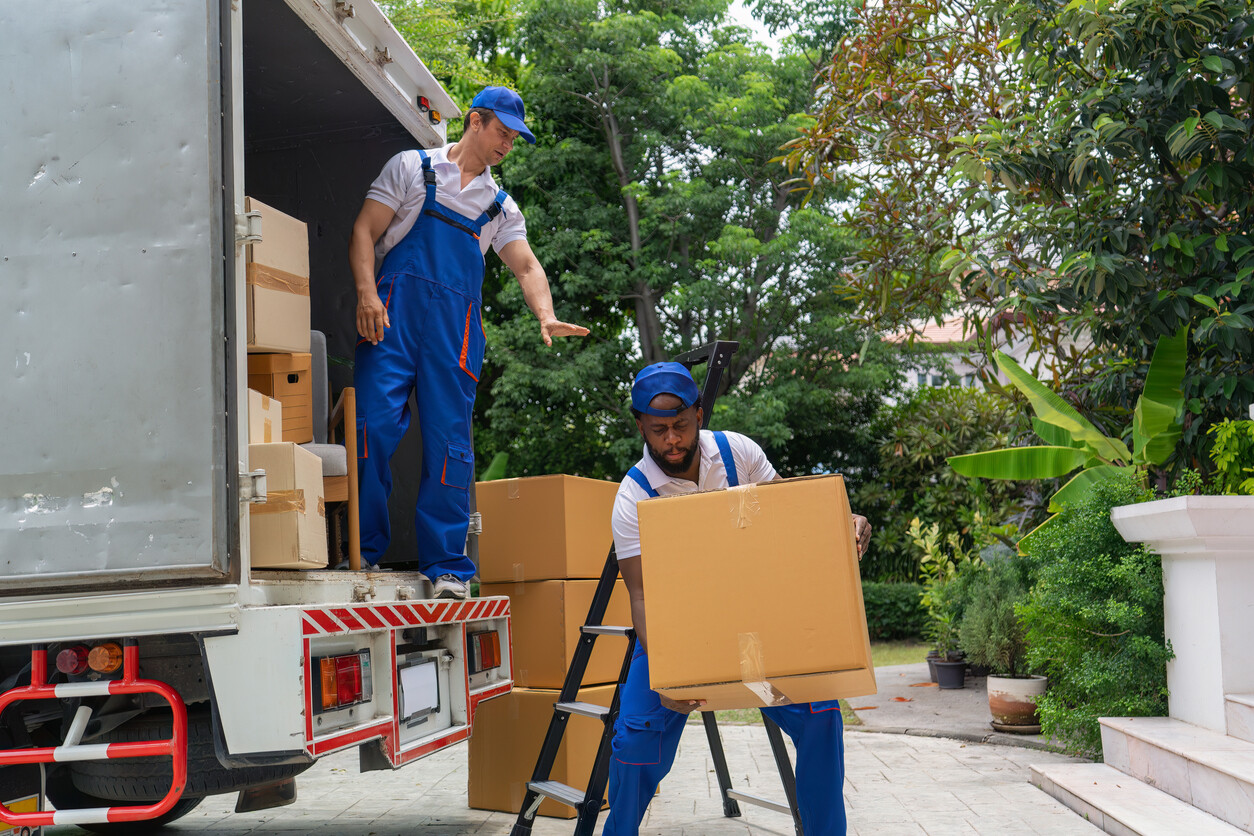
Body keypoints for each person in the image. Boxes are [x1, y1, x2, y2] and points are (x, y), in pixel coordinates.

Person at [606, 361, 872, 836]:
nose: (672, 440)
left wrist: (841, 523)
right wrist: (668, 676)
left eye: (681, 426)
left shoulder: (738, 454)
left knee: (821, 714)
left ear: (699, 414)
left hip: (756, 641)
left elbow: (791, 518)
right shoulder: (634, 496)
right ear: (640, 426)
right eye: (659, 430)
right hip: (678, 640)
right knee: (633, 744)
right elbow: (642, 597)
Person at [348, 86, 588, 595]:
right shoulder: (412, 169)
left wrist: (545, 315)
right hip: (391, 321)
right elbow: (365, 231)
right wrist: (367, 295)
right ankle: (362, 552)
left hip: (453, 335)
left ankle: (448, 569)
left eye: (514, 139)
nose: (507, 145)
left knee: (450, 448)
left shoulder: (500, 208)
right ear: (475, 122)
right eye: (502, 132)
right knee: (370, 432)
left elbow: (525, 264)